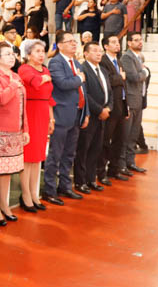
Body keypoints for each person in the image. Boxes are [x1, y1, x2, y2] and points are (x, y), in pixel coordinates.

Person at [42, 31, 89, 206]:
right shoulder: (55, 62)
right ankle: (49, 190)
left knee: (69, 154)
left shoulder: (76, 63)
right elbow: (62, 83)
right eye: (69, 42)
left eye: (74, 41)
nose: (74, 44)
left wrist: (86, 112)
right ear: (60, 45)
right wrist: (78, 78)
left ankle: (65, 186)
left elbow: (83, 90)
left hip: (76, 113)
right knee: (55, 154)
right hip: (61, 114)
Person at [0, 43, 28, 226]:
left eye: (13, 54)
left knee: (8, 170)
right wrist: (12, 84)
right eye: (7, 54)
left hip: (15, 131)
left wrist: (25, 128)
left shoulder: (16, 76)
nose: (12, 57)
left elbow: (22, 105)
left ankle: (4, 204)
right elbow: (1, 98)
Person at [18, 40, 55, 212]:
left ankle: (34, 194)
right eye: (37, 51)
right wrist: (43, 78)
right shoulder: (24, 68)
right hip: (30, 113)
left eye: (43, 51)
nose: (41, 54)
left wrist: (51, 119)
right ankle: (25, 195)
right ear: (28, 54)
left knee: (38, 158)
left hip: (43, 113)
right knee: (28, 158)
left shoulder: (45, 69)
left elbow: (49, 97)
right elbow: (34, 82)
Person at [73, 42, 112, 195]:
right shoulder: (83, 69)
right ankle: (80, 181)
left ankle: (91, 179)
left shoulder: (103, 70)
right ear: (86, 54)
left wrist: (108, 108)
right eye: (94, 51)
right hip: (90, 114)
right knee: (84, 149)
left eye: (100, 51)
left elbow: (109, 92)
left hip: (103, 115)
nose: (98, 53)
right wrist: (99, 110)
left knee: (96, 149)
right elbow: (86, 94)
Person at [100, 35, 130, 181]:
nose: (117, 45)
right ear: (106, 46)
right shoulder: (103, 61)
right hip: (111, 106)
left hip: (121, 105)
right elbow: (106, 81)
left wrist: (127, 106)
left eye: (118, 42)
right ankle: (101, 172)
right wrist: (120, 77)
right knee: (106, 140)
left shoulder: (119, 61)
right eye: (113, 42)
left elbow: (124, 86)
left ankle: (114, 169)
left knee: (120, 139)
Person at [119, 32, 149, 175]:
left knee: (134, 134)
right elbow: (133, 77)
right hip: (130, 100)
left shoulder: (137, 58)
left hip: (138, 100)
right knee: (125, 135)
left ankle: (130, 162)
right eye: (136, 40)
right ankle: (121, 164)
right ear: (129, 43)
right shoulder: (127, 57)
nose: (140, 42)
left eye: (141, 40)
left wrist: (143, 73)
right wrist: (144, 72)